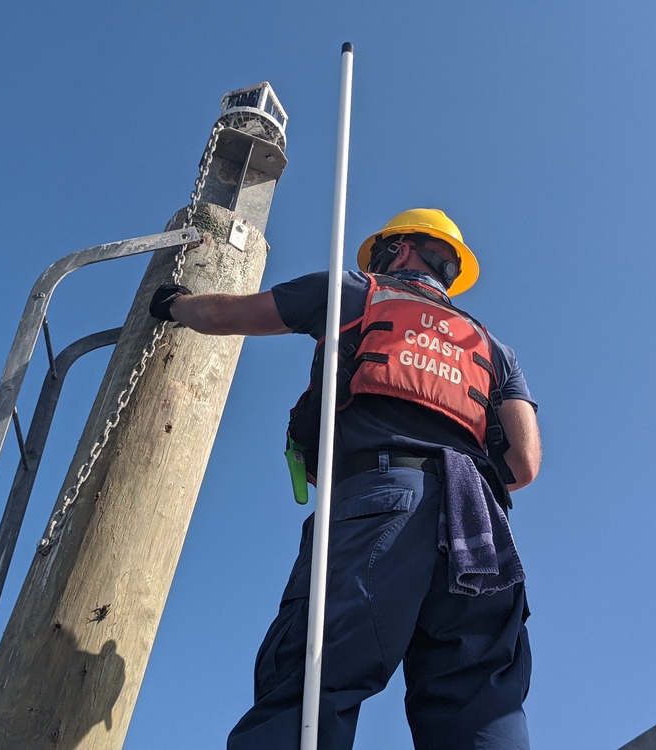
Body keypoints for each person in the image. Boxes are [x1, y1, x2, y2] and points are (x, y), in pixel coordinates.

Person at [149, 208, 541, 749]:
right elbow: (524, 463)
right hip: (479, 528)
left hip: (379, 501)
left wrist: (171, 303)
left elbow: (220, 313)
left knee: (311, 685)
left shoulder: (357, 291)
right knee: (480, 703)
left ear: (399, 250)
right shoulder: (494, 350)